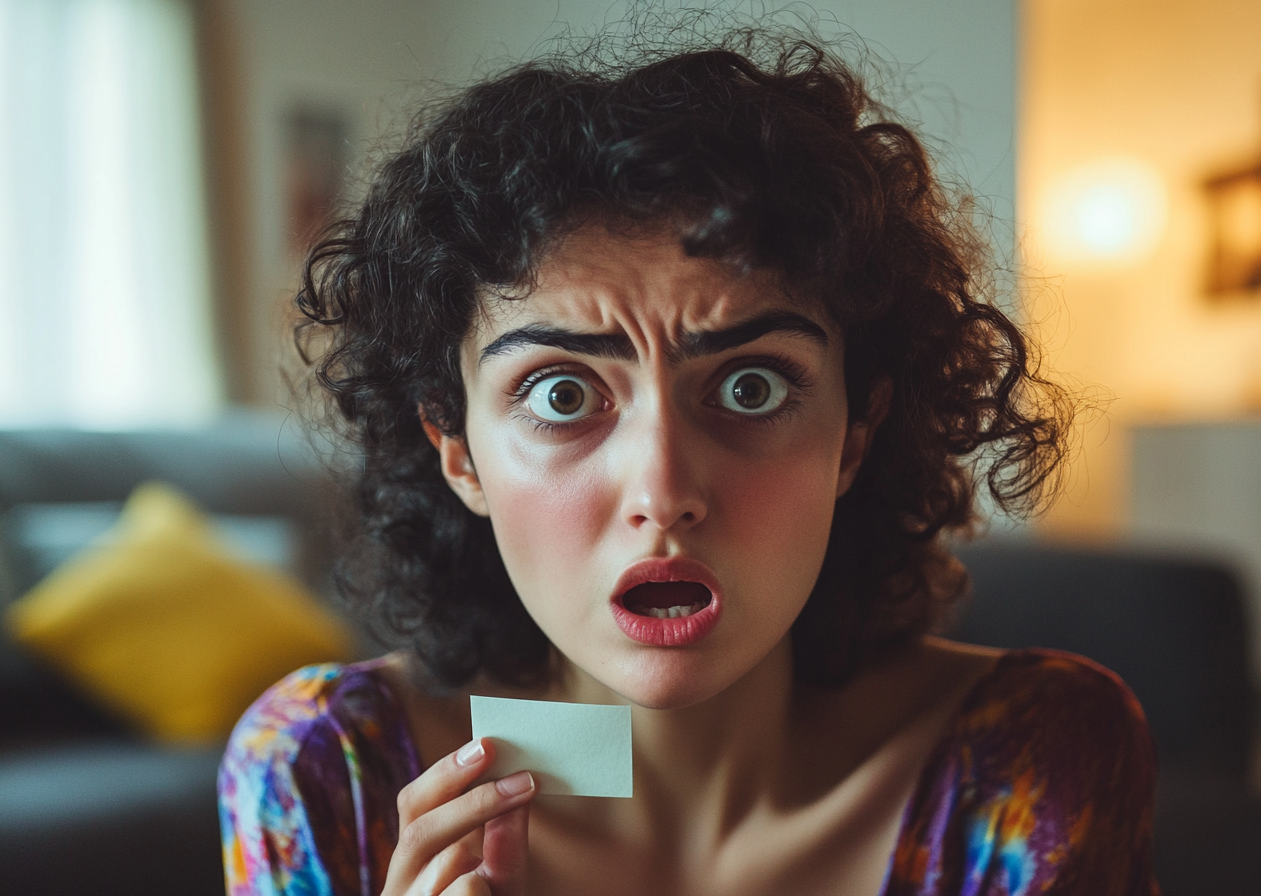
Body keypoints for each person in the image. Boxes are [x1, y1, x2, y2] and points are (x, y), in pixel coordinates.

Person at [218, 26, 1158, 896]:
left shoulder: (1029, 761)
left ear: (856, 434)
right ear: (457, 452)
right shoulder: (320, 771)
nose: (664, 492)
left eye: (751, 387)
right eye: (561, 396)